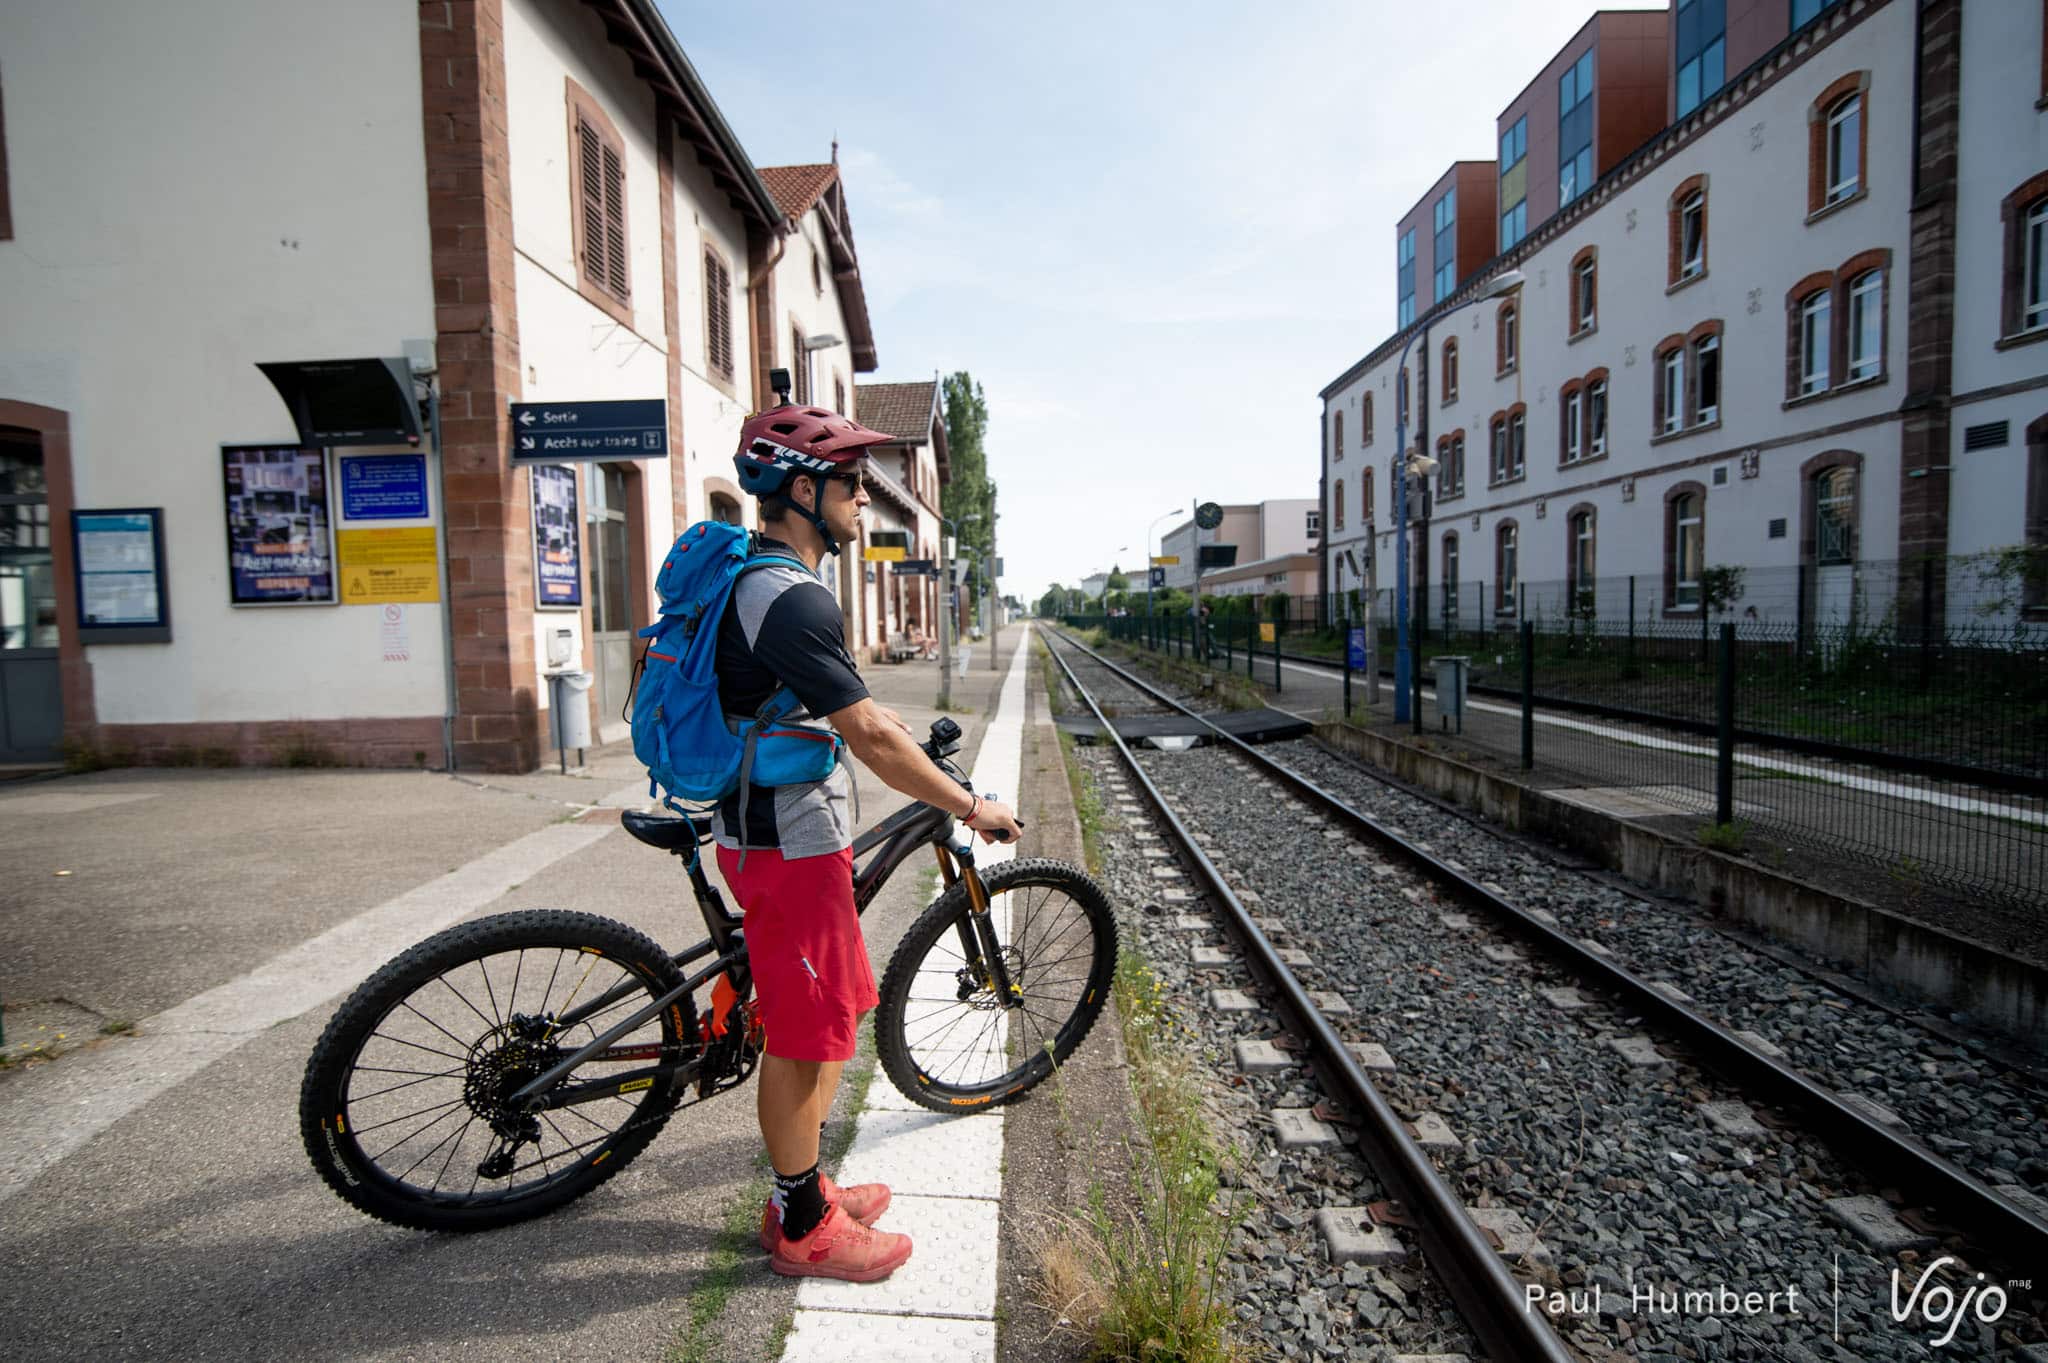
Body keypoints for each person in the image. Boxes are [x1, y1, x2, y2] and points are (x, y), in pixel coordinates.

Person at [717, 403, 1023, 1282]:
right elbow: (872, 738)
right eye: (850, 482)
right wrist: (970, 805)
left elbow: (847, 703)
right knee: (804, 1032)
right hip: (785, 839)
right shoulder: (793, 598)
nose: (863, 496)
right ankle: (802, 1225)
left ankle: (806, 1185)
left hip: (775, 828)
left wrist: (898, 739)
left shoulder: (768, 581)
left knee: (827, 1011)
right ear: (802, 491)